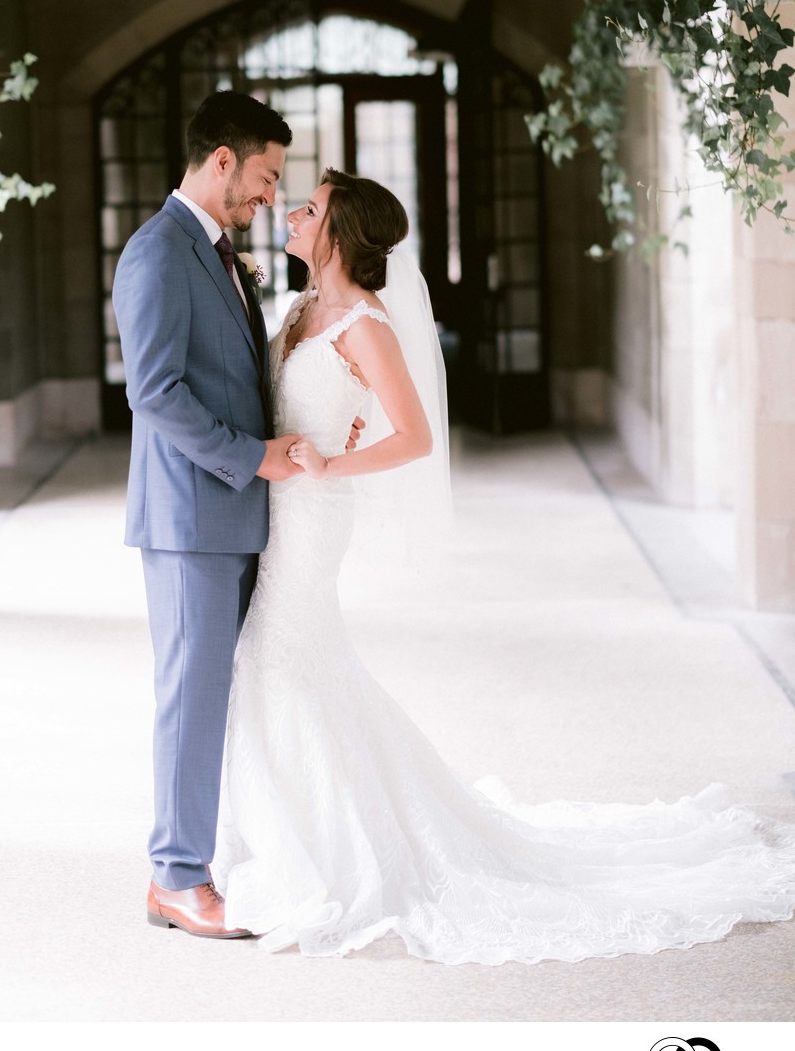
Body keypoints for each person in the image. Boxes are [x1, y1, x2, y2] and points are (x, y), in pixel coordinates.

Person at [212, 167, 795, 965]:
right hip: (276, 502)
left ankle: (315, 845)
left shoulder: (364, 326)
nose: (290, 213)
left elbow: (413, 436)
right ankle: (284, 828)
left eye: (307, 209)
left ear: (337, 234)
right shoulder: (301, 308)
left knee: (281, 654)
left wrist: (327, 468)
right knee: (290, 659)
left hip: (312, 514)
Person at [113, 93, 362, 940]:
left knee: (225, 691)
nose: (267, 195)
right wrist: (252, 456)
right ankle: (176, 877)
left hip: (236, 513)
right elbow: (153, 393)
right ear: (221, 159)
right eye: (262, 177)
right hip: (189, 517)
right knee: (191, 695)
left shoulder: (216, 252)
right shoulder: (157, 253)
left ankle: (209, 860)